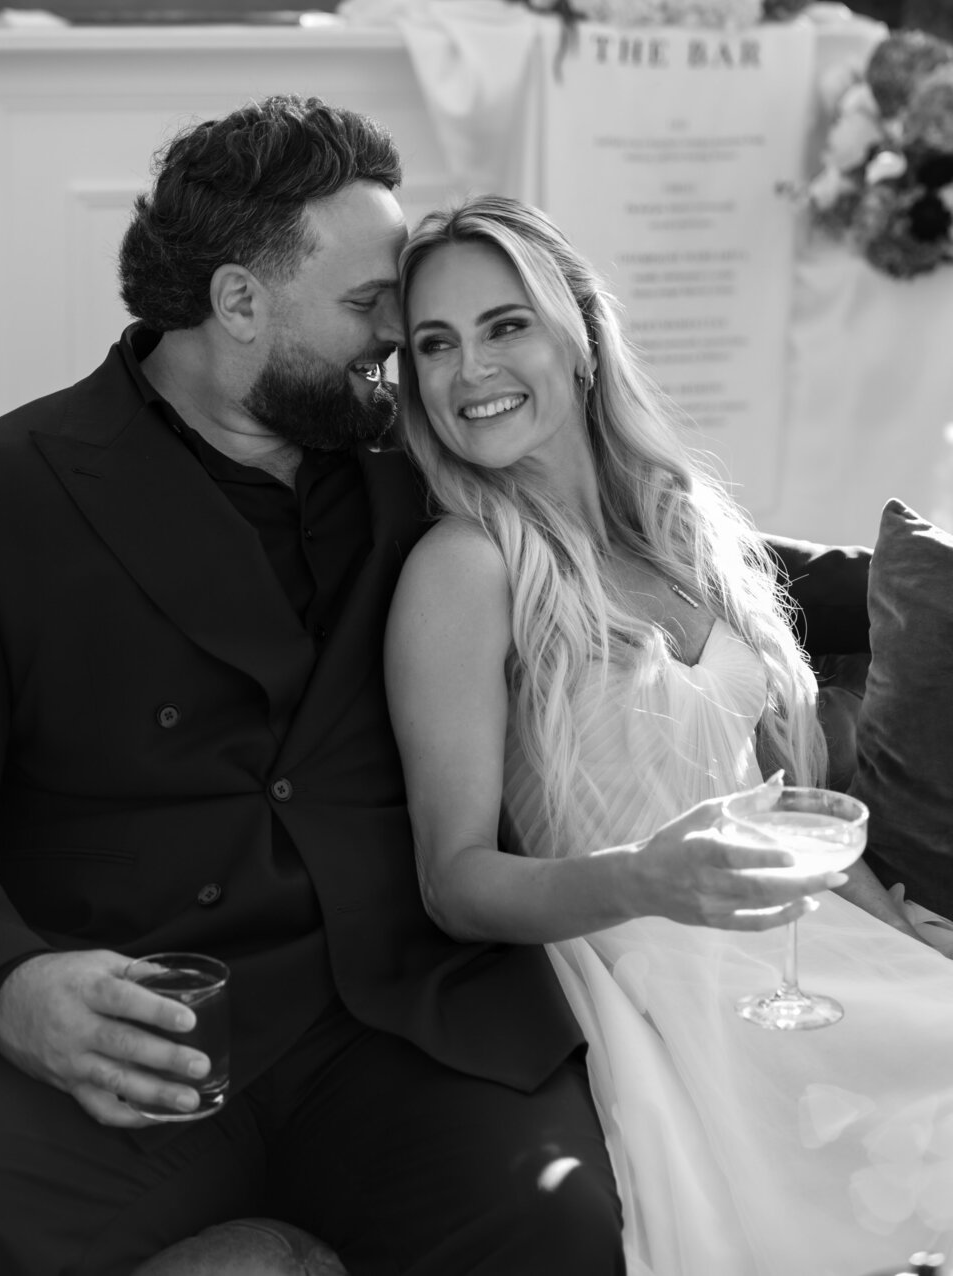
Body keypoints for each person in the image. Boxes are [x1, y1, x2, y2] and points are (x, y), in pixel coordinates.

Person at [0, 98, 628, 1276]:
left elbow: (636, 530)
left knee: (554, 1222)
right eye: (367, 305)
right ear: (239, 304)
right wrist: (7, 987)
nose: (404, 337)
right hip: (139, 1033)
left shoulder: (426, 467)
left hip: (395, 1024)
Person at [384, 193, 953, 1276]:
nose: (470, 372)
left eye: (507, 325)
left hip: (805, 945)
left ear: (581, 337)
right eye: (434, 345)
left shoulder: (685, 524)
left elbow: (786, 806)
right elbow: (453, 881)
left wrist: (902, 936)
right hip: (648, 968)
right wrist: (646, 878)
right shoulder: (466, 569)